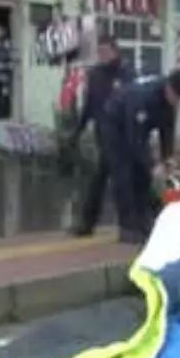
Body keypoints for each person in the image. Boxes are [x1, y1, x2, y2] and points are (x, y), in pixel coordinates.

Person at [98, 65, 180, 243]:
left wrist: (167, 158)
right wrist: (152, 165)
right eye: (176, 96)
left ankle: (144, 220)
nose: (177, 101)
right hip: (115, 124)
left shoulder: (171, 100)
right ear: (169, 87)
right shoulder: (144, 97)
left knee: (143, 176)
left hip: (137, 129)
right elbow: (134, 138)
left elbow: (167, 129)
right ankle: (127, 227)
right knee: (124, 174)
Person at [68, 36, 139, 237]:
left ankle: (129, 225)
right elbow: (89, 105)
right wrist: (78, 130)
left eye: (106, 51)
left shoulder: (126, 73)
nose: (102, 56)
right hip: (103, 134)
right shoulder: (95, 75)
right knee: (101, 181)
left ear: (115, 51)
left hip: (123, 136)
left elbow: (134, 104)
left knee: (121, 182)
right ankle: (90, 223)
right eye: (100, 52)